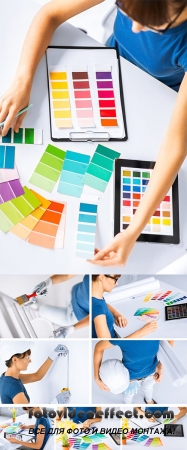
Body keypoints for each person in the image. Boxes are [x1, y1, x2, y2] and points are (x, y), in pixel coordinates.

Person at [0, 0, 187, 266]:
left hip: (158, 99)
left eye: (153, 26)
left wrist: (132, 231)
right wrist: (22, 80)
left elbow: (175, 146)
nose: (134, 28)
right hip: (107, 68)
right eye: (124, 10)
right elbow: (51, 13)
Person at [94, 340, 174, 404]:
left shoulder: (156, 332)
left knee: (148, 388)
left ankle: (149, 401)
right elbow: (99, 347)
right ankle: (129, 407)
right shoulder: (125, 338)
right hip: (129, 379)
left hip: (152, 373)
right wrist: (96, 378)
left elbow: (170, 340)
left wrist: (160, 365)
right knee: (129, 395)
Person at [92, 274, 158, 338]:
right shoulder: (97, 307)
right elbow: (108, 344)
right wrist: (142, 331)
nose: (116, 283)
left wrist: (117, 314)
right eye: (115, 279)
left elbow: (103, 304)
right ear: (101, 277)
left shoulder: (94, 296)